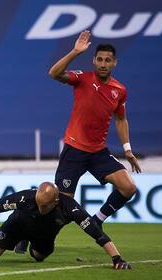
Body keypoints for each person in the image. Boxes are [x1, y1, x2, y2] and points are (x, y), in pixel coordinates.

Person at [48, 30, 141, 226]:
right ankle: (26, 231)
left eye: (108, 60)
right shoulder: (82, 79)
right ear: (94, 61)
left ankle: (97, 220)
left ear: (115, 62)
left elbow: (121, 119)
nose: (103, 64)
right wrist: (75, 52)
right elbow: (54, 73)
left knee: (128, 187)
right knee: (61, 210)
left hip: (98, 152)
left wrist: (128, 150)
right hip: (74, 151)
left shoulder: (119, 90)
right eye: (99, 59)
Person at [0, 182, 132, 270]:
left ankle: (27, 241)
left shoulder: (70, 208)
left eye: (43, 205)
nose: (38, 206)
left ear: (55, 202)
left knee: (38, 257)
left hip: (44, 237)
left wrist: (117, 258)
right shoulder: (25, 198)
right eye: (37, 202)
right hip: (17, 225)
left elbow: (96, 233)